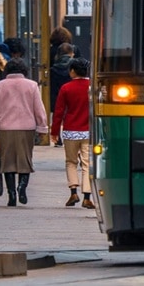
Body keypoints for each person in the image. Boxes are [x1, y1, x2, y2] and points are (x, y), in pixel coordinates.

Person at [0, 60, 48, 207]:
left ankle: (11, 194)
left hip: (4, 128)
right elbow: (39, 108)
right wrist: (42, 127)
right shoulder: (32, 85)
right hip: (27, 127)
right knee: (25, 159)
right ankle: (22, 187)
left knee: (7, 162)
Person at [51, 58, 94, 209]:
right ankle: (87, 196)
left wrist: (54, 131)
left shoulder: (66, 88)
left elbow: (59, 112)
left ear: (73, 71)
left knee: (71, 162)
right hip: (89, 131)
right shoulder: (92, 87)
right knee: (87, 163)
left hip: (70, 130)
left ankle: (73, 192)